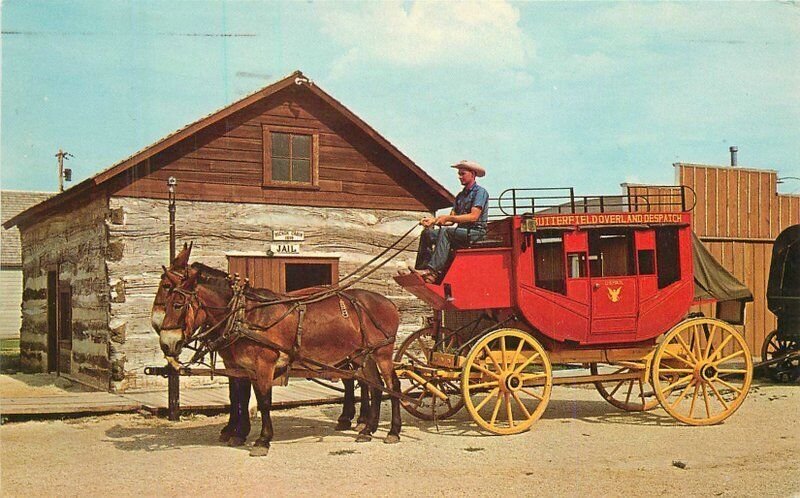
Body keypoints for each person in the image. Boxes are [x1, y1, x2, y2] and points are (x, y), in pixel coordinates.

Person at [413, 160, 489, 283]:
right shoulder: (460, 196)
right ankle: (422, 269)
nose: (459, 177)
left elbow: (473, 216)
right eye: (459, 174)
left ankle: (432, 271)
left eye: (462, 174)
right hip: (461, 232)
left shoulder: (480, 192)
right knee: (428, 233)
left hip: (476, 233)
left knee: (446, 232)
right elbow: (450, 220)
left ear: (473, 174)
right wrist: (433, 221)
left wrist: (448, 219)